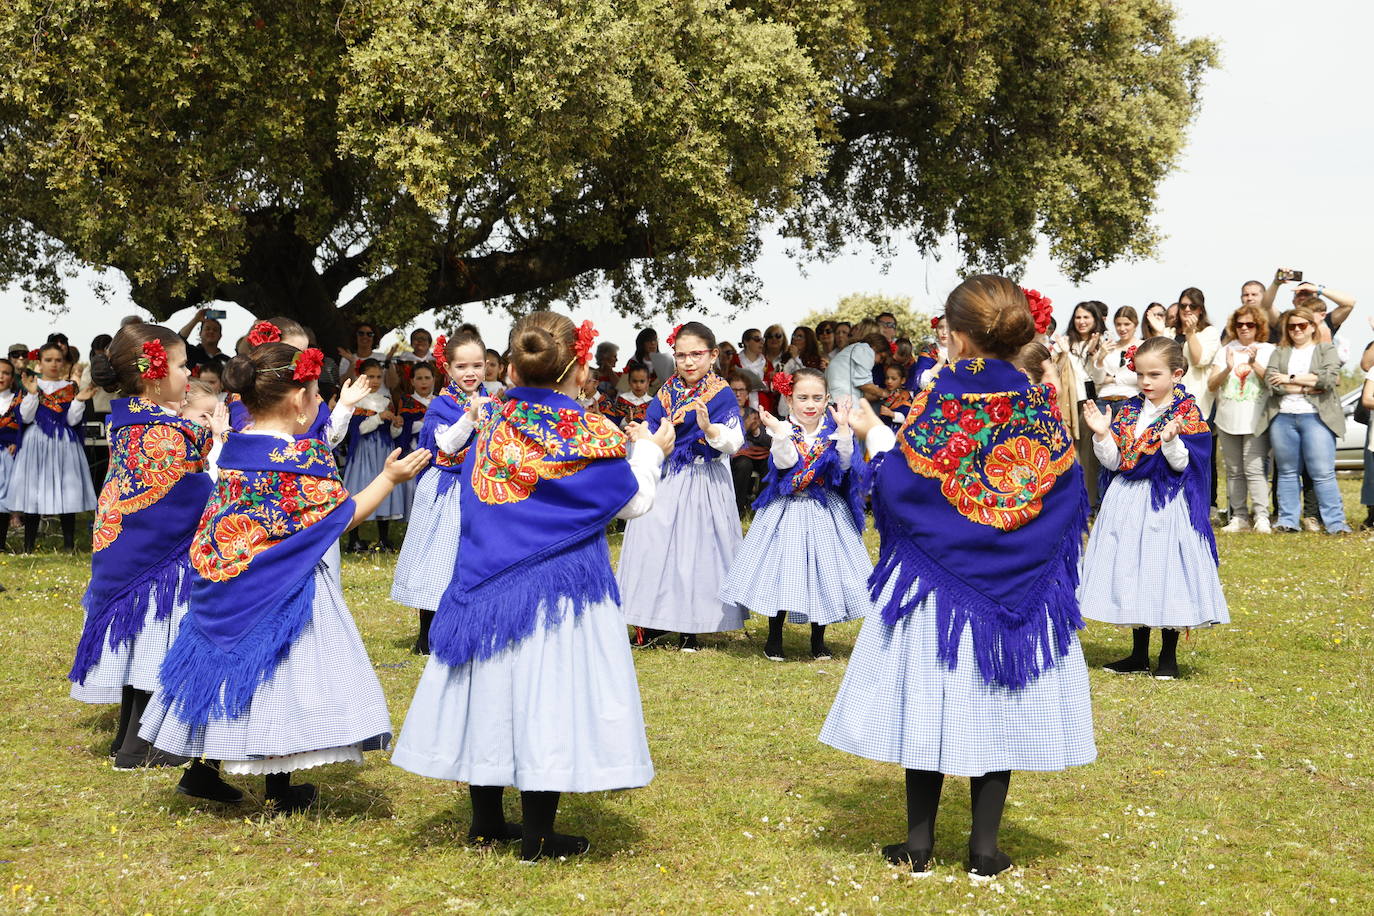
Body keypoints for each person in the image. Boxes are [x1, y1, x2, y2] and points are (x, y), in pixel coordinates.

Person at [821, 275, 1093, 880]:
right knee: (997, 706)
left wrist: (870, 435)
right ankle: (983, 850)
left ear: (957, 333)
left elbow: (901, 483)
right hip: (1015, 591)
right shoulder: (1036, 403)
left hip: (937, 589)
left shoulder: (939, 396)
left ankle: (918, 845)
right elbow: (1068, 486)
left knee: (930, 702)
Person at [390, 312, 672, 861]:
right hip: (560, 586)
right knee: (547, 696)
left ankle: (486, 819)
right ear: (579, 367)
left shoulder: (491, 418)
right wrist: (652, 451)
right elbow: (632, 502)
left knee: (491, 693)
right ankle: (538, 832)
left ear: (512, 365)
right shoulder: (590, 430)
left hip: (487, 577)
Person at [139, 341, 430, 814]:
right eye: (317, 395)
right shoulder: (302, 459)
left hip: (227, 579)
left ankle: (206, 771)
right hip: (283, 588)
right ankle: (275, 788)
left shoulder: (235, 446)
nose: (319, 404)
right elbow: (342, 514)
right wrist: (390, 479)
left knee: (232, 673)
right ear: (299, 400)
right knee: (278, 681)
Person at [65, 324, 238, 802]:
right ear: (154, 374)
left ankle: (130, 738)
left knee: (141, 643)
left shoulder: (134, 419)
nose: (190, 373)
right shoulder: (162, 429)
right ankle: (142, 745)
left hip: (127, 551)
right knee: (153, 643)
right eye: (183, 365)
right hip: (155, 557)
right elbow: (192, 493)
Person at [1078, 337, 1229, 678]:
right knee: (1133, 567)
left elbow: (1185, 466)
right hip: (1127, 499)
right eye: (1141, 375)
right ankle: (1138, 653)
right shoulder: (1130, 410)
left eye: (1155, 375)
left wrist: (1172, 441)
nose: (1146, 382)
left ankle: (1168, 657)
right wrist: (1102, 435)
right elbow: (1116, 461)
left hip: (1166, 502)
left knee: (1166, 570)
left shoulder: (1186, 413)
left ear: (1176, 374)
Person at [719, 369, 869, 662]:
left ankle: (818, 640)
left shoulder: (832, 429)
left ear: (827, 400)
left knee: (822, 572)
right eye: (802, 398)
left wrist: (844, 432)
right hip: (787, 508)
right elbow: (784, 462)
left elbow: (845, 464)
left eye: (816, 397)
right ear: (789, 400)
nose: (809, 404)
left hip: (825, 509)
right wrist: (780, 434)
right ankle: (774, 638)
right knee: (783, 571)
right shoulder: (785, 428)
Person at [619, 321, 746, 651]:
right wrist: (641, 435)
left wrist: (710, 429)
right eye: (681, 355)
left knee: (694, 552)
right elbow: (651, 426)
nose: (688, 362)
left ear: (713, 355)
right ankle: (652, 620)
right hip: (666, 476)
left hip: (702, 479)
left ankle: (691, 627)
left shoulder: (721, 393)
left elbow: (735, 440)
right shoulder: (667, 391)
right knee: (652, 545)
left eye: (696, 355)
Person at [391, 332, 492, 655]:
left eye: (477, 365)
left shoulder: (492, 399)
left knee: (471, 559)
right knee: (438, 559)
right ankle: (427, 636)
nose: (471, 372)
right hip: (446, 487)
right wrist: (471, 417)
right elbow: (446, 445)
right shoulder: (442, 404)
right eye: (462, 366)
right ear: (447, 369)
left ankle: (468, 628)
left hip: (479, 487)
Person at [1257, 308, 1349, 534]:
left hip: (1316, 417)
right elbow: (1271, 382)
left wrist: (1290, 379)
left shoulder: (1325, 349)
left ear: (1311, 326)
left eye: (1302, 325)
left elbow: (1328, 379)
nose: (1297, 329)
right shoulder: (1280, 352)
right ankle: (1288, 521)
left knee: (1322, 472)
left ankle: (1335, 523)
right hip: (1283, 417)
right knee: (1287, 472)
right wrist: (1310, 383)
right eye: (1291, 326)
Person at [7, 342, 98, 551]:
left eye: (58, 360)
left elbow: (73, 420)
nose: (54, 364)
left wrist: (79, 401)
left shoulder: (70, 388)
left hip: (64, 442)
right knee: (33, 491)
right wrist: (31, 394)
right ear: (39, 362)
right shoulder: (32, 385)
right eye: (48, 360)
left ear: (64, 363)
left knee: (68, 490)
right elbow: (25, 417)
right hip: (36, 441)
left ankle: (68, 545)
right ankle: (28, 546)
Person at [1209, 307, 1274, 533]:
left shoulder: (1268, 350)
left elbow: (1273, 382)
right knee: (1234, 470)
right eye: (1240, 325)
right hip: (1228, 418)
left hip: (1256, 420)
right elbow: (1211, 384)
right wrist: (1228, 367)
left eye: (1250, 324)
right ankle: (1239, 516)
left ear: (1259, 326)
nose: (1244, 328)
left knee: (1254, 469)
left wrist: (1255, 363)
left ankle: (1262, 516)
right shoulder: (1225, 350)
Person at [341, 359, 404, 552]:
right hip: (363, 451)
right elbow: (358, 429)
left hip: (382, 451)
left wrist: (395, 425)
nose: (375, 381)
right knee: (359, 488)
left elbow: (393, 435)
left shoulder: (385, 401)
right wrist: (378, 417)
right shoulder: (356, 400)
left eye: (378, 377)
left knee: (383, 489)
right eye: (370, 376)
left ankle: (383, 539)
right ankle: (354, 539)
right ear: (361, 376)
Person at [1058, 302, 1106, 506]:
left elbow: (1099, 378)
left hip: (1089, 403)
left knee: (1089, 457)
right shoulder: (1065, 342)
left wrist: (1095, 354)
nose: (1082, 322)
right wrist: (1064, 353)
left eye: (1086, 317)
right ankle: (1072, 502)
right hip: (1067, 404)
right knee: (1070, 454)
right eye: (1078, 317)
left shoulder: (1103, 343)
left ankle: (1091, 502)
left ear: (1095, 319)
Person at [1260, 269, 1357, 345]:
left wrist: (1318, 289)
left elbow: (1349, 303)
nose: (1303, 297)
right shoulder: (1285, 320)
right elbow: (1265, 307)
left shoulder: (1325, 319)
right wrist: (1276, 283)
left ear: (1317, 298)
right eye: (1299, 295)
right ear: (1293, 301)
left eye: (1308, 294)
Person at [728, 372, 770, 518]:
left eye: (742, 390)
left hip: (757, 454)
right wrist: (745, 428)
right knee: (744, 464)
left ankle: (761, 508)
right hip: (735, 457)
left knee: (770, 462)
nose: (738, 394)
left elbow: (768, 441)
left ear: (747, 394)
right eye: (734, 390)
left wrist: (756, 430)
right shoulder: (724, 414)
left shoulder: (753, 412)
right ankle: (737, 510)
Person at [825, 318, 883, 407]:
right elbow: (864, 384)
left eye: (857, 328)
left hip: (835, 399)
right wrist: (884, 393)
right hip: (845, 403)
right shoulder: (864, 348)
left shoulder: (850, 349)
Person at [1092, 306, 1140, 413]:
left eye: (1127, 324)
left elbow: (1140, 377)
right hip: (1104, 400)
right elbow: (1098, 380)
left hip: (1130, 398)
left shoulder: (1143, 346)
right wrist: (1100, 358)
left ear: (1135, 324)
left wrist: (1113, 379)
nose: (1122, 329)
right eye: (1118, 324)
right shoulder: (1108, 346)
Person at [0, 359, 25, 550]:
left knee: (3, 501)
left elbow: (26, 427)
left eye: (6, 373)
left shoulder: (19, 400)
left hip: (9, 455)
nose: (1, 376)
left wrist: (17, 443)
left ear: (12, 378)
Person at [905, 316, 949, 391]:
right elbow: (922, 383)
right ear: (936, 329)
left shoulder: (964, 351)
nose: (944, 332)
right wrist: (939, 364)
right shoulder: (928, 351)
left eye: (949, 328)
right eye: (941, 327)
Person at [879, 364, 913, 429]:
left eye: (893, 379)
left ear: (902, 380)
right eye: (887, 378)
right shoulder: (883, 393)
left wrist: (892, 414)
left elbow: (908, 418)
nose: (889, 381)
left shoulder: (905, 396)